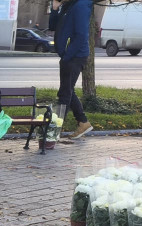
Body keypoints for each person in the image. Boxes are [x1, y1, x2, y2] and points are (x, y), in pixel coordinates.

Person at [49, 0, 94, 139]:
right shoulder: (68, 6)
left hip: (75, 56)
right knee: (68, 90)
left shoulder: (80, 5)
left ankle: (53, 133)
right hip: (68, 56)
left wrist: (67, 56)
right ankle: (83, 122)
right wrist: (54, 9)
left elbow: (81, 35)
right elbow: (53, 26)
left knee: (64, 93)